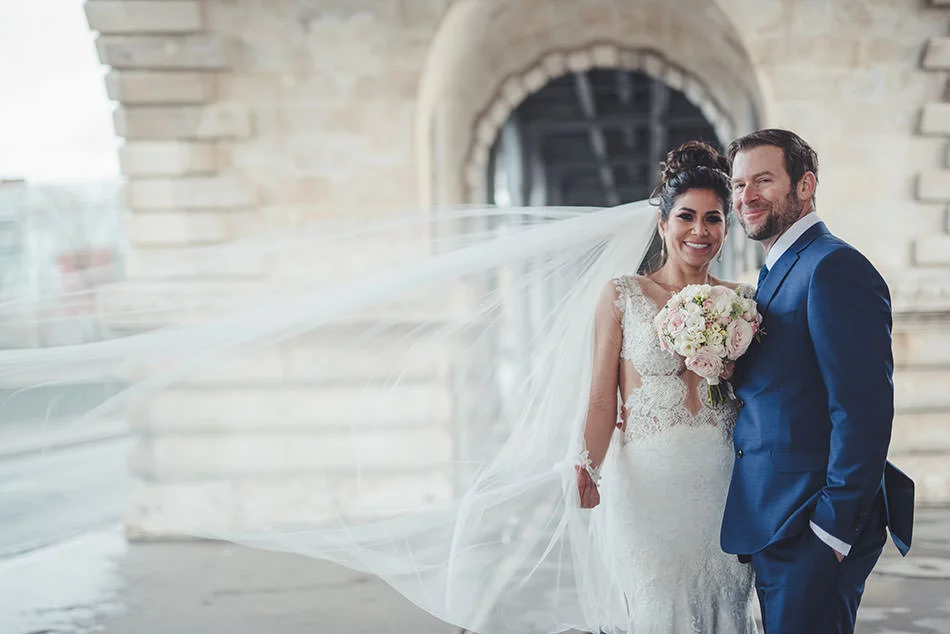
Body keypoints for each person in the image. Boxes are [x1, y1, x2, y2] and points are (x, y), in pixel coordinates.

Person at [721, 128, 914, 633]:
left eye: (764, 180)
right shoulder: (778, 269)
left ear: (805, 185)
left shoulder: (833, 267)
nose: (747, 197)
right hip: (774, 520)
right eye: (739, 185)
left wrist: (832, 529)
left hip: (810, 523)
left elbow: (863, 408)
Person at [575, 140, 758, 633]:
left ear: (726, 226)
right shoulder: (622, 295)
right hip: (650, 491)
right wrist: (586, 465)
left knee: (726, 610)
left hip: (724, 487)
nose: (700, 230)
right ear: (662, 223)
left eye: (714, 218)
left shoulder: (744, 303)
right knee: (660, 610)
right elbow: (599, 398)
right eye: (687, 216)